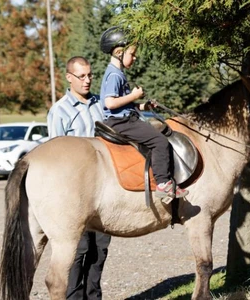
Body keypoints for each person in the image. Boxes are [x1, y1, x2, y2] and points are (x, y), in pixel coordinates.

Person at [99, 26, 189, 204]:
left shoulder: (118, 73)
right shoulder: (115, 75)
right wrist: (133, 95)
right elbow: (109, 103)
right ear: (119, 52)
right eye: (132, 54)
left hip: (123, 117)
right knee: (160, 141)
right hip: (121, 122)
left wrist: (143, 105)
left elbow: (124, 104)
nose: (135, 57)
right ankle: (163, 183)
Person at [47, 56, 111, 299]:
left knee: (100, 251)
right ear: (69, 78)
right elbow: (55, 158)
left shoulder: (100, 104)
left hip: (104, 193)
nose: (87, 80)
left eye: (90, 75)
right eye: (81, 76)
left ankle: (94, 297)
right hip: (75, 195)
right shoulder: (60, 111)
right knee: (78, 251)